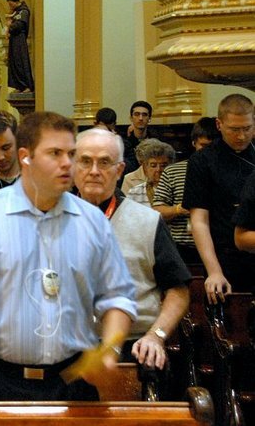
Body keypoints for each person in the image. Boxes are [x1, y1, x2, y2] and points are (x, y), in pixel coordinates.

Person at [0, 111, 136, 413]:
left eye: (71, 154)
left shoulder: (93, 221)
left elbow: (118, 297)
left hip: (73, 381)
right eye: (55, 153)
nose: (67, 163)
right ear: (25, 157)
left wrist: (109, 350)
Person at [74, 128, 190, 376]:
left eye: (104, 162)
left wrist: (156, 336)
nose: (94, 171)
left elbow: (178, 290)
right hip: (69, 344)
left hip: (133, 344)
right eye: (85, 161)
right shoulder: (51, 219)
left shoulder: (147, 221)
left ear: (119, 170)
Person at [185, 93, 255, 300]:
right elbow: (199, 221)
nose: (241, 136)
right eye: (234, 129)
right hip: (224, 257)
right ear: (219, 124)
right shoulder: (202, 161)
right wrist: (214, 271)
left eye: (247, 128)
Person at [152, 117, 217, 264]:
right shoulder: (173, 171)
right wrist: (178, 209)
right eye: (204, 146)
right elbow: (157, 211)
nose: (209, 152)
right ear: (194, 143)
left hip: (218, 245)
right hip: (182, 248)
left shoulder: (226, 172)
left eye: (213, 147)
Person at [124, 139, 175, 207]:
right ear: (146, 167)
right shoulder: (135, 192)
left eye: (163, 166)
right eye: (153, 165)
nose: (158, 169)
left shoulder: (179, 190)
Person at [5, 0, 33, 93]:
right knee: (14, 62)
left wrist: (10, 25)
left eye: (10, 4)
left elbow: (20, 25)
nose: (10, 6)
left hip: (19, 39)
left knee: (20, 61)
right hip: (14, 40)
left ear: (16, 2)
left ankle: (26, 86)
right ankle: (19, 86)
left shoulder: (23, 12)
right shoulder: (16, 12)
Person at [123, 101, 154, 175]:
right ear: (131, 118)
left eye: (144, 115)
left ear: (149, 118)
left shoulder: (157, 143)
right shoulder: (124, 145)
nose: (140, 118)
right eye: (137, 114)